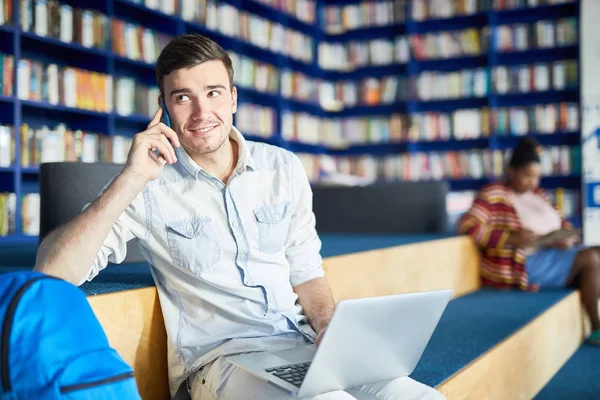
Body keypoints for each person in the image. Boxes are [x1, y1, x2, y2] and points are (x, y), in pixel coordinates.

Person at [33, 33, 446, 400]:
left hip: (301, 343)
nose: (200, 112)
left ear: (233, 97)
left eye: (213, 92)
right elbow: (52, 274)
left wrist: (328, 327)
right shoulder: (147, 186)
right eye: (183, 97)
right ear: (163, 109)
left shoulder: (282, 168)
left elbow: (306, 269)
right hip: (222, 361)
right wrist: (130, 179)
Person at [458, 136, 600, 345]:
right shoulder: (494, 194)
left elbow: (563, 224)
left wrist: (567, 239)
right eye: (527, 176)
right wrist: (510, 237)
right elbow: (467, 225)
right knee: (589, 259)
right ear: (511, 172)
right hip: (522, 263)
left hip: (552, 252)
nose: (533, 182)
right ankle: (597, 327)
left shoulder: (539, 195)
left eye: (536, 177)